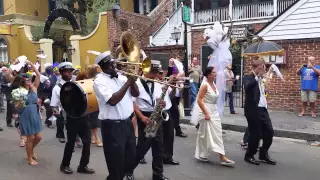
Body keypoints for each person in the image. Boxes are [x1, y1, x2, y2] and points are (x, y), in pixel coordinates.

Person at [93, 51, 139, 180]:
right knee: (115, 161)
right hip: (112, 126)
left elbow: (136, 94)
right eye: (111, 66)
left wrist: (133, 80)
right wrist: (128, 82)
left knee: (130, 156)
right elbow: (113, 101)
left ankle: (126, 174)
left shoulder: (122, 77)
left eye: (114, 64)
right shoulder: (99, 81)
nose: (114, 67)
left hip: (127, 123)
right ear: (103, 67)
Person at [127, 60, 169, 180]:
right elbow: (132, 103)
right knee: (141, 148)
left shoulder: (156, 83)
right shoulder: (136, 84)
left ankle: (158, 175)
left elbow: (157, 99)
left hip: (155, 116)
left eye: (156, 73)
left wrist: (162, 104)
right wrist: (141, 117)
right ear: (146, 71)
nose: (155, 75)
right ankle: (129, 170)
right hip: (143, 116)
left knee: (159, 148)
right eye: (153, 72)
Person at [50, 62, 95, 174]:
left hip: (83, 115)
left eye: (71, 71)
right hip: (71, 117)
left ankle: (83, 166)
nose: (70, 73)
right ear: (60, 73)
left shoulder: (77, 83)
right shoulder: (57, 88)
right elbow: (54, 105)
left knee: (87, 141)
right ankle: (64, 165)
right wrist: (56, 112)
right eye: (67, 71)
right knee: (70, 142)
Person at [191, 66, 235, 166]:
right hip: (206, 111)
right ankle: (203, 154)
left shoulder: (213, 84)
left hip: (214, 111)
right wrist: (206, 113)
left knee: (217, 133)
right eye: (214, 72)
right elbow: (199, 100)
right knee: (204, 134)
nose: (216, 74)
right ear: (209, 74)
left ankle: (222, 156)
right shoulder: (205, 85)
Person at [243, 59, 276, 166]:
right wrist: (257, 77)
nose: (263, 69)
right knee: (255, 134)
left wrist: (267, 75)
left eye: (264, 67)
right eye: (262, 67)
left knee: (269, 131)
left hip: (263, 109)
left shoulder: (261, 78)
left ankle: (263, 154)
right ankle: (249, 155)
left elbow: (264, 87)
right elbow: (247, 88)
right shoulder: (248, 77)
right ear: (256, 67)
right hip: (252, 110)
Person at [13, 60, 42, 166]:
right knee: (30, 138)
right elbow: (17, 107)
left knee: (38, 137)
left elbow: (38, 74)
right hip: (25, 115)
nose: (30, 82)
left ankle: (31, 150)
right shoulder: (18, 92)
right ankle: (30, 158)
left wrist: (31, 63)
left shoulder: (34, 88)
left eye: (30, 80)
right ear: (23, 82)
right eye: (27, 81)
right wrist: (21, 102)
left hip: (35, 114)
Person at [157, 68, 180, 165]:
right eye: (160, 73)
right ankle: (141, 156)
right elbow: (162, 90)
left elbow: (171, 96)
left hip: (167, 111)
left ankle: (168, 157)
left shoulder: (163, 82)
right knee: (156, 137)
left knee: (170, 135)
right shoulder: (154, 83)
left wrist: (174, 86)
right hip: (158, 112)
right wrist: (169, 81)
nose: (162, 75)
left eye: (163, 73)